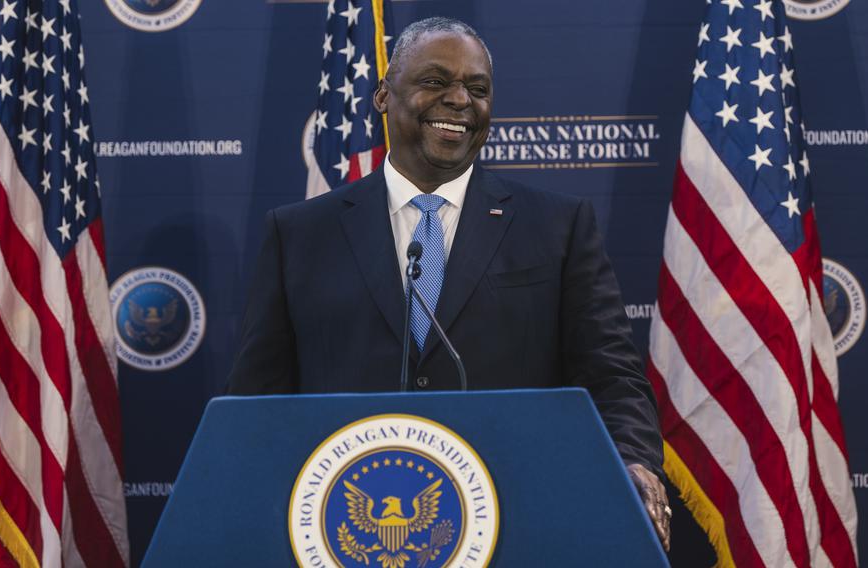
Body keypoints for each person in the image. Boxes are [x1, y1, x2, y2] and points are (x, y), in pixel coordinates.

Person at [228, 17, 671, 550]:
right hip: (344, 529)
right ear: (383, 97)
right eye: (436, 81)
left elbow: (613, 376)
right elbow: (255, 402)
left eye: (477, 88)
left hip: (518, 522)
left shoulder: (557, 227)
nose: (460, 100)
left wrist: (636, 463)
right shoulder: (300, 234)